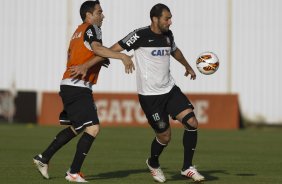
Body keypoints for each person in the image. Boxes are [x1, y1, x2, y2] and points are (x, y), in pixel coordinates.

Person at [33, 0, 134, 183]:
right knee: (93, 128)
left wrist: (100, 60)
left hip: (71, 85)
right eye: (99, 12)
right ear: (89, 15)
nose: (103, 16)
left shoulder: (78, 31)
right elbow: (97, 48)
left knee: (77, 128)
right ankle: (73, 172)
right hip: (77, 86)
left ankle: (43, 158)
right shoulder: (92, 28)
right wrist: (121, 56)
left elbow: (88, 52)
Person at [110, 3, 205, 183]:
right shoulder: (139, 35)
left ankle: (187, 167)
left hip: (170, 90)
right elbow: (114, 48)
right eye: (167, 18)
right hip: (150, 97)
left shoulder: (168, 35)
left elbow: (174, 51)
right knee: (165, 136)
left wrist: (188, 66)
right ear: (155, 19)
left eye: (170, 18)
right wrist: (118, 58)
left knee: (192, 122)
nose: (170, 22)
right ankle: (153, 163)